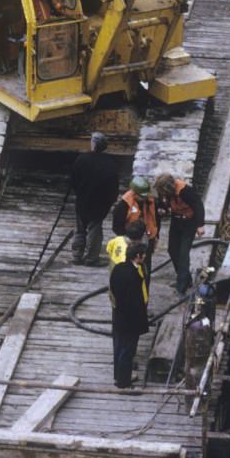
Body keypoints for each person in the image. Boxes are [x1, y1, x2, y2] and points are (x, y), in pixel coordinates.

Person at [70, 132, 119, 266]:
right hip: (99, 204)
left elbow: (73, 180)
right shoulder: (110, 164)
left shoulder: (81, 159)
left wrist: (80, 192)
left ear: (93, 144)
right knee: (94, 230)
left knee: (80, 229)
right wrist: (110, 201)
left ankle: (76, 256)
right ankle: (91, 258)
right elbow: (113, 187)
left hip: (82, 201)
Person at [154, 173, 207, 296]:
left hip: (189, 223)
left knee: (183, 253)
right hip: (176, 221)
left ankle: (181, 286)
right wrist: (163, 208)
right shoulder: (167, 194)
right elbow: (165, 203)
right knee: (172, 250)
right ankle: (185, 278)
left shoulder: (185, 191)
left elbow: (198, 205)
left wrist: (200, 225)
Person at [109, 238, 149, 390]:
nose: (144, 257)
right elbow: (135, 302)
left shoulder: (118, 269)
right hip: (130, 320)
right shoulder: (133, 277)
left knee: (120, 347)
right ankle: (123, 382)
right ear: (137, 256)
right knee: (128, 350)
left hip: (119, 315)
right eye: (143, 255)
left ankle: (119, 376)